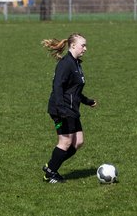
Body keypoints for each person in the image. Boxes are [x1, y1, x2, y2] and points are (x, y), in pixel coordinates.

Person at [41, 33, 97, 183]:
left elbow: (74, 89)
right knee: (65, 142)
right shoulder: (66, 64)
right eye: (82, 45)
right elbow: (57, 86)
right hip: (62, 110)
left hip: (71, 109)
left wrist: (87, 101)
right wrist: (61, 109)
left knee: (78, 142)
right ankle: (50, 172)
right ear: (73, 45)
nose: (85, 48)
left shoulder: (76, 63)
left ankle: (51, 166)